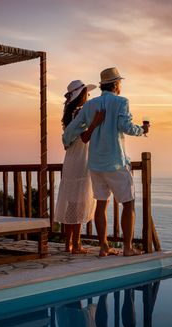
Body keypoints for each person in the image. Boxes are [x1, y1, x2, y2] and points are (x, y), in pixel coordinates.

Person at [62, 67, 149, 257]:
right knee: (128, 203)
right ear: (116, 84)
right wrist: (142, 130)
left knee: (101, 204)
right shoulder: (121, 102)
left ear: (103, 85)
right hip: (115, 162)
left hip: (95, 164)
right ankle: (127, 248)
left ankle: (103, 246)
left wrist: (66, 141)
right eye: (120, 83)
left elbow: (70, 131)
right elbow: (125, 126)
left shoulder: (90, 105)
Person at [55, 79, 105, 254]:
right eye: (87, 93)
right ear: (81, 95)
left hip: (70, 159)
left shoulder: (70, 113)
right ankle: (76, 244)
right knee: (77, 202)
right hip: (80, 160)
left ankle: (68, 243)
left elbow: (70, 139)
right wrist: (95, 123)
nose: (89, 96)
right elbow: (84, 138)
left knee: (71, 202)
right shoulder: (79, 113)